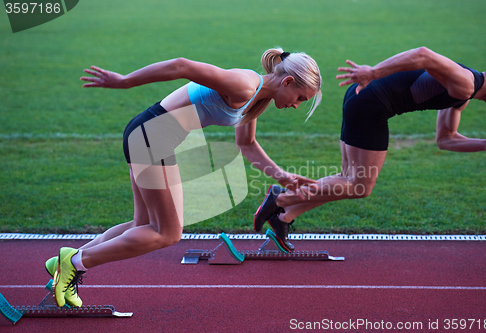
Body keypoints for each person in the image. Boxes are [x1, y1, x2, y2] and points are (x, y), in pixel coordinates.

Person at [47, 48, 322, 307]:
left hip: (148, 134)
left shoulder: (257, 97)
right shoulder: (244, 84)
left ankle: (64, 265)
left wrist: (283, 177)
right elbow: (182, 66)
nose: (297, 105)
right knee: (167, 232)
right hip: (152, 136)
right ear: (287, 81)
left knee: (142, 225)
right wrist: (125, 82)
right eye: (300, 98)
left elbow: (247, 144)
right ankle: (75, 262)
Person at [254, 46, 486, 252]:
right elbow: (424, 55)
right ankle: (281, 199)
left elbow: (445, 139)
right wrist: (373, 72)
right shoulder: (466, 83)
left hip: (364, 98)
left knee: (348, 182)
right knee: (359, 185)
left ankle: (283, 216)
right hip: (372, 103)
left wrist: (485, 143)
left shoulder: (464, 94)